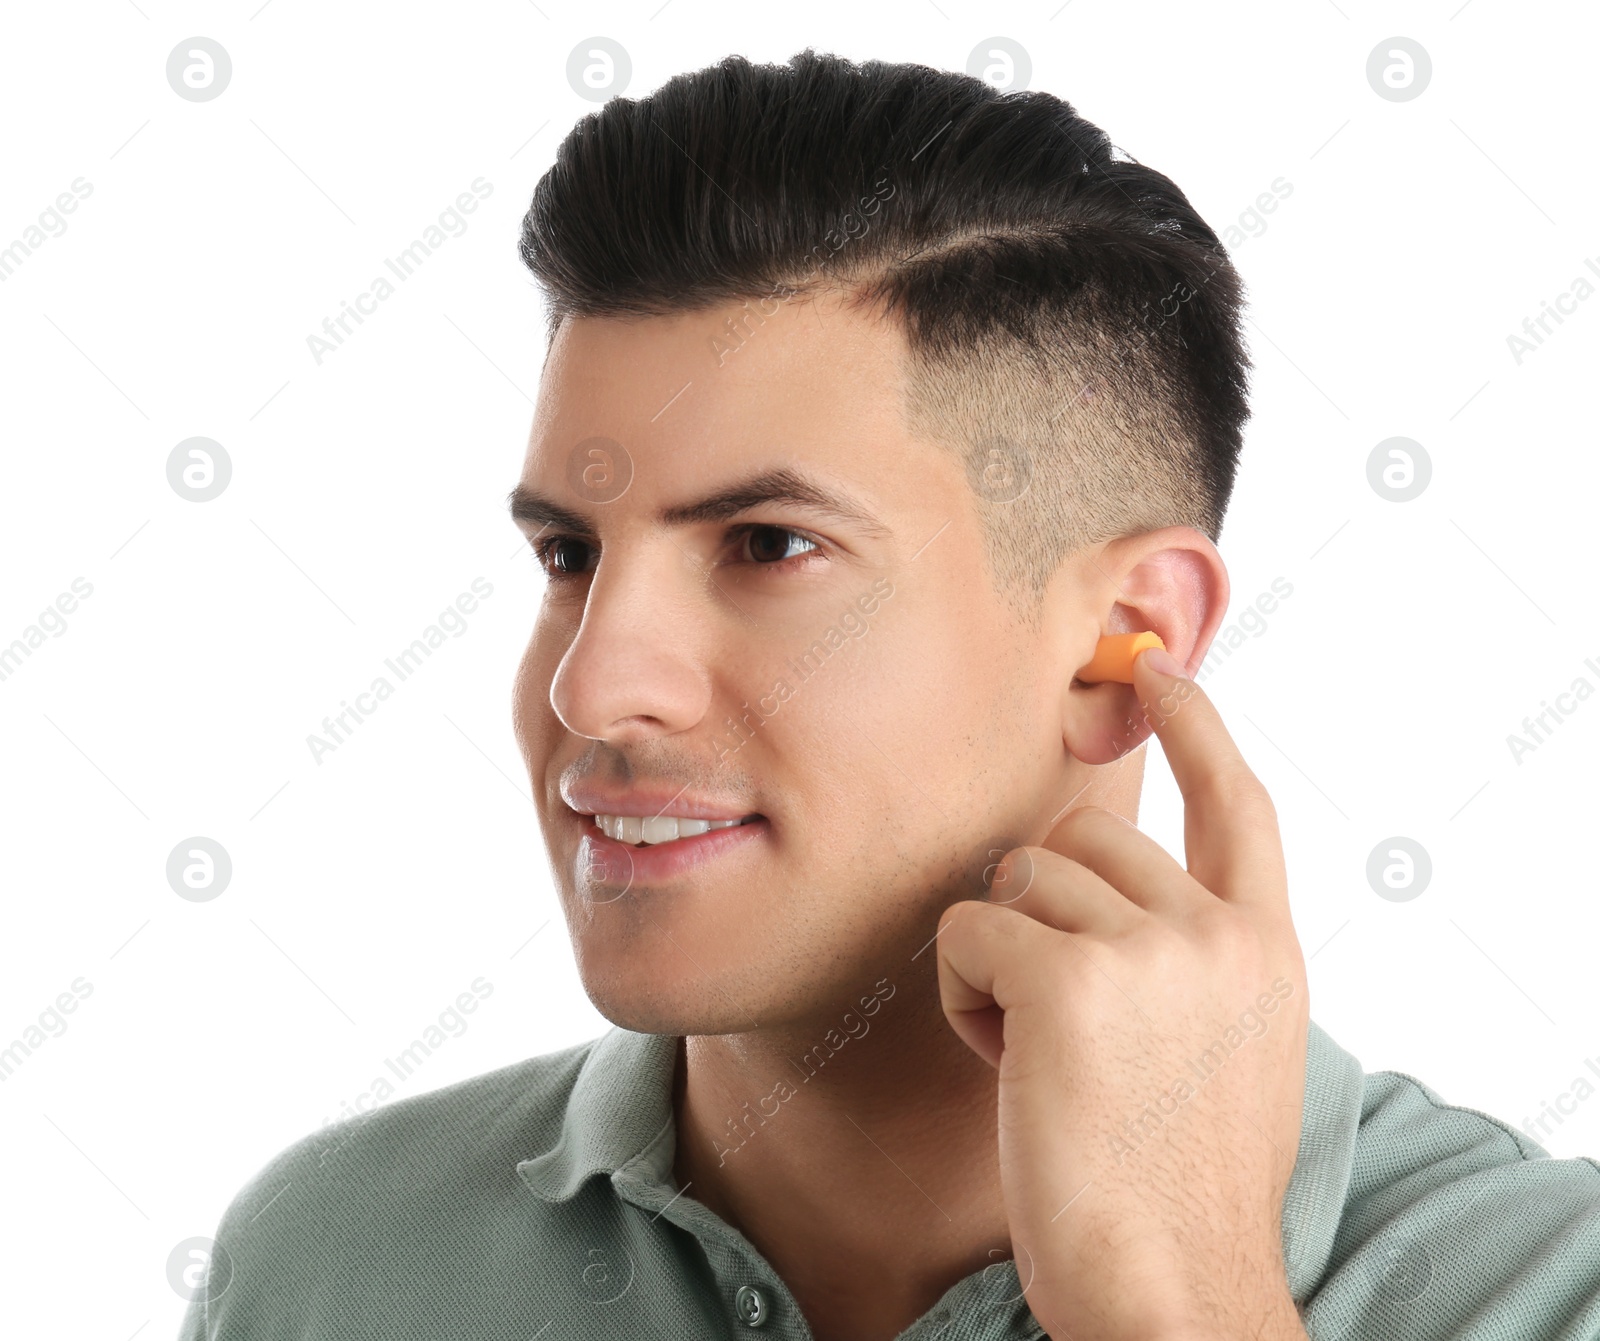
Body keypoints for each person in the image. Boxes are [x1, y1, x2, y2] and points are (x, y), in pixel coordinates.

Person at [179, 49, 1600, 1341]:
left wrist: (1181, 1299)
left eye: (768, 546)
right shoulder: (327, 1270)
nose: (592, 680)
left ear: (1124, 636)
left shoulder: (1545, 1287)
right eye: (570, 553)